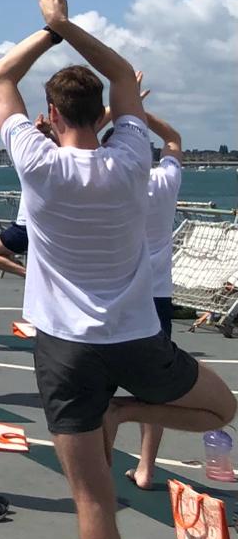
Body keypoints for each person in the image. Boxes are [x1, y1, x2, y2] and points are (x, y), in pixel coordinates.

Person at [0, 0, 233, 539]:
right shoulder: (130, 160)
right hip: (135, 336)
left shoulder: (36, 163)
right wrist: (69, 25)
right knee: (221, 412)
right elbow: (124, 79)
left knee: (92, 503)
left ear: (50, 114)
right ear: (106, 114)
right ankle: (126, 412)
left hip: (65, 349)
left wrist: (48, 28)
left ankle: (117, 415)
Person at [99, 81, 184, 492]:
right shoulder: (165, 181)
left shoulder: (106, 181)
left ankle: (104, 464)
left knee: (100, 387)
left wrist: (118, 111)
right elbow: (173, 139)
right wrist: (135, 112)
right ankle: (148, 468)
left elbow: (76, 145)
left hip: (112, 295)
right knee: (154, 389)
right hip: (157, 296)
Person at [0, 114, 56, 279]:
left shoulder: (30, 165)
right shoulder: (62, 164)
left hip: (26, 226)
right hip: (52, 225)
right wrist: (48, 133)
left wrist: (40, 133)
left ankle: (30, 275)